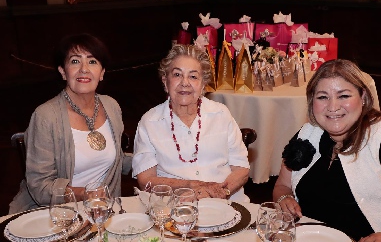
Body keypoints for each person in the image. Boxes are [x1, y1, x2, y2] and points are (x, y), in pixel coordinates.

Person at [273, 59, 381, 242]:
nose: (333, 106)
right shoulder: (307, 135)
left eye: (343, 96)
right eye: (322, 97)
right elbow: (282, 186)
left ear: (364, 97)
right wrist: (284, 199)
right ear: (312, 102)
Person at [9, 33, 132, 214]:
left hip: (102, 212)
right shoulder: (46, 116)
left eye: (92, 62)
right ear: (62, 71)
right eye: (75, 61)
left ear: (102, 73)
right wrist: (85, 194)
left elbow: (116, 160)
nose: (84, 69)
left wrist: (154, 160)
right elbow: (40, 187)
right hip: (57, 214)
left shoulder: (111, 106)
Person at [132, 44, 250, 202]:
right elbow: (145, 179)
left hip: (225, 203)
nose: (184, 82)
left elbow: (241, 169)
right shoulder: (150, 121)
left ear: (203, 85)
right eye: (177, 75)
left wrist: (219, 192)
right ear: (165, 81)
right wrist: (190, 185)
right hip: (173, 206)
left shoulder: (221, 114)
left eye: (193, 76)